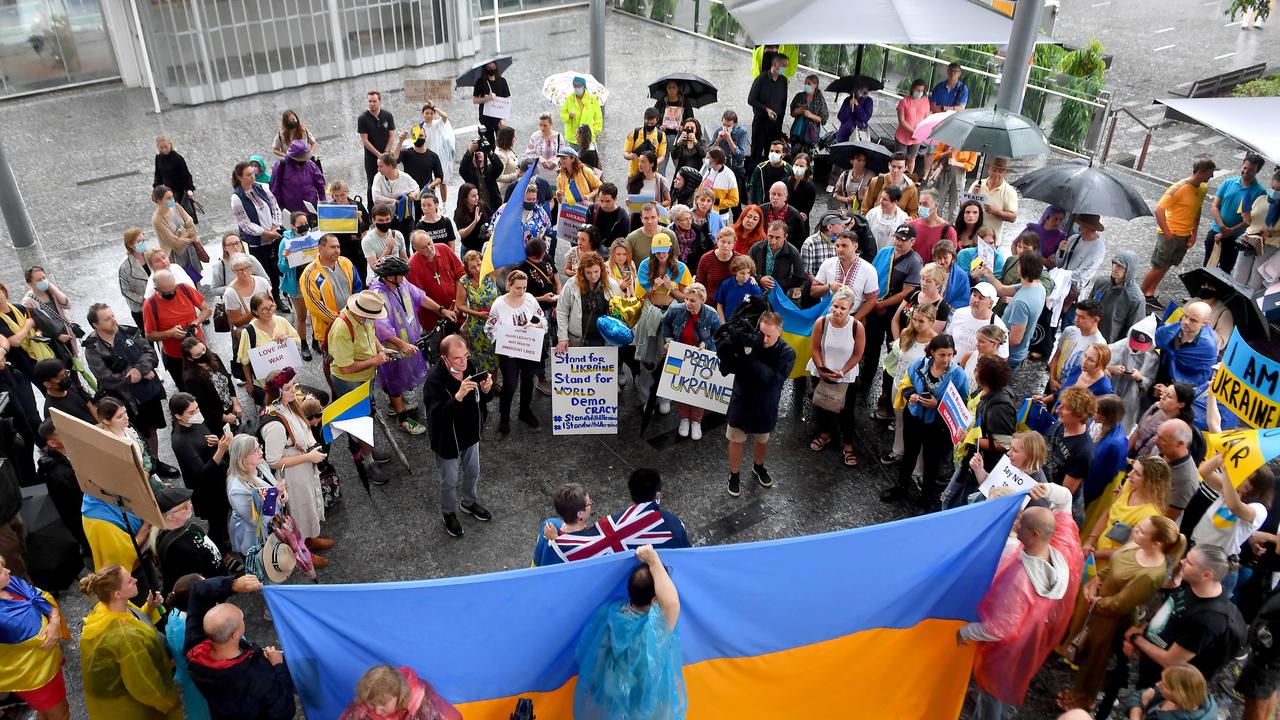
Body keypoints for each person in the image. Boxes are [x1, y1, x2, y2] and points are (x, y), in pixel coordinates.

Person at [959, 484, 1082, 720]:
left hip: (1005, 651)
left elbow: (1000, 628)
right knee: (1004, 688)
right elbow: (1065, 499)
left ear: (1034, 533)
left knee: (991, 695)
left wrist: (965, 632)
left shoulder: (1018, 576)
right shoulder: (1062, 549)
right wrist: (1041, 489)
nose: (1016, 527)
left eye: (1021, 526)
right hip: (1031, 642)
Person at [1057, 516, 1187, 713]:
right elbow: (1115, 561)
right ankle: (1078, 691)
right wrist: (1096, 582)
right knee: (1086, 651)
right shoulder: (1137, 545)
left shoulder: (1152, 573)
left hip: (1111, 619)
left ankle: (1085, 699)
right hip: (1100, 606)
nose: (1136, 531)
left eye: (1142, 531)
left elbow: (1120, 604)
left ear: (1156, 543)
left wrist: (1095, 600)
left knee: (1096, 660)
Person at [1101, 546, 1245, 718]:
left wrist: (1136, 638)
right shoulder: (1192, 583)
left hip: (1166, 682)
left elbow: (1171, 661)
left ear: (1207, 575)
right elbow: (1168, 606)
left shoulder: (1209, 620)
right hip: (1150, 661)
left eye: (1189, 562)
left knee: (1146, 707)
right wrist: (1142, 630)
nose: (1182, 562)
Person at [574, 544, 683, 719]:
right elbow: (672, 604)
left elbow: (597, 655)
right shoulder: (654, 630)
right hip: (644, 695)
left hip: (613, 692)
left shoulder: (611, 612)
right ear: (655, 601)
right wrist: (654, 561)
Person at [185, 578, 296, 720]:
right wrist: (278, 666)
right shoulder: (258, 675)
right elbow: (284, 712)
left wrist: (233, 585)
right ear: (235, 634)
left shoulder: (193, 651)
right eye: (241, 619)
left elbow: (197, 591)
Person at [77, 565, 179, 719]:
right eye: (130, 580)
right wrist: (171, 703)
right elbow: (145, 686)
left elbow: (135, 621)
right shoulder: (125, 638)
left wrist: (149, 608)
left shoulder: (111, 606)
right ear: (117, 594)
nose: (136, 580)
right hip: (131, 710)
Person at [881, 334, 967, 511]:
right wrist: (911, 394)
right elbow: (906, 383)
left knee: (931, 461)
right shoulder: (919, 364)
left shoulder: (958, 374)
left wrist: (938, 404)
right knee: (909, 454)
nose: (947, 359)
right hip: (914, 418)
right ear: (932, 352)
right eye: (942, 355)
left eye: (950, 355)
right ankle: (901, 486)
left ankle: (925, 496)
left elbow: (962, 401)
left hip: (937, 425)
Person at [422, 333, 496, 538]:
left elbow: (483, 400)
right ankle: (448, 513)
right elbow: (437, 417)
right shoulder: (434, 381)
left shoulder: (470, 367)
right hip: (448, 440)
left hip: (471, 433)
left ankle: (469, 502)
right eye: (458, 358)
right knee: (449, 481)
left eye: (466, 355)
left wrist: (487, 390)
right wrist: (458, 397)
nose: (464, 362)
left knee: (473, 472)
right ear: (444, 358)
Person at [260, 368, 333, 566]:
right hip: (291, 474)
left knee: (308, 504)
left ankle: (309, 538)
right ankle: (303, 551)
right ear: (277, 393)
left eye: (293, 385)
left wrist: (311, 446)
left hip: (303, 467)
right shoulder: (274, 425)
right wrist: (309, 455)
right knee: (298, 512)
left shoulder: (290, 405)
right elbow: (273, 461)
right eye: (288, 388)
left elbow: (304, 427)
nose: (294, 390)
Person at [722, 311, 795, 497]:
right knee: (736, 439)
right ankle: (734, 475)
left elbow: (772, 380)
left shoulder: (787, 353)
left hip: (765, 405)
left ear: (780, 332)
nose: (763, 339)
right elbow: (726, 368)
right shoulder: (750, 343)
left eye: (769, 335)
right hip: (742, 401)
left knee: (762, 439)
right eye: (761, 333)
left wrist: (749, 356)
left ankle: (758, 466)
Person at [326, 291, 391, 484]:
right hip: (351, 381)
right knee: (360, 421)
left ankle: (366, 448)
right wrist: (375, 360)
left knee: (367, 415)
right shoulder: (341, 329)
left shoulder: (363, 317)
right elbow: (345, 368)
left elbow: (371, 336)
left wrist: (380, 350)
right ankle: (368, 461)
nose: (373, 320)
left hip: (365, 376)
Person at [0, 552, 69, 720]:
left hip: (47, 664)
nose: (8, 571)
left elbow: (39, 596)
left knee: (46, 711)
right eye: (1, 571)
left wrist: (53, 621)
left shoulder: (10, 584)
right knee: (61, 713)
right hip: (35, 677)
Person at [368, 256, 430, 434]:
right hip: (391, 347)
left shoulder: (401, 284)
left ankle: (399, 405)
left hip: (407, 343)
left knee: (401, 377)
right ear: (389, 277)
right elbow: (381, 327)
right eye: (400, 275)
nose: (404, 278)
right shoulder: (377, 295)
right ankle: (402, 420)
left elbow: (421, 297)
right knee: (393, 383)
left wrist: (441, 310)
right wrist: (401, 344)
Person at [806, 287, 866, 466]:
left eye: (843, 308)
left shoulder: (857, 326)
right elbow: (815, 348)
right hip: (821, 372)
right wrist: (821, 367)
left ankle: (848, 444)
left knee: (846, 412)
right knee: (823, 405)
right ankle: (825, 434)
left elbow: (858, 354)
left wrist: (843, 371)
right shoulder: (821, 322)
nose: (838, 311)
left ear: (851, 308)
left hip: (846, 376)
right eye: (835, 306)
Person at [168, 392, 233, 556]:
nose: (197, 414)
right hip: (207, 491)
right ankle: (220, 554)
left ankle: (225, 540)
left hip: (218, 480)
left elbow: (206, 444)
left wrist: (217, 442)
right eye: (191, 412)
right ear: (178, 416)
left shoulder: (196, 424)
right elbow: (202, 474)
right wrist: (221, 450)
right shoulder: (180, 441)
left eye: (196, 409)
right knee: (216, 524)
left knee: (223, 515)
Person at [1143, 159, 1217, 300]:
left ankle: (1150, 293)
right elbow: (1159, 210)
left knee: (1168, 265)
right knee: (1158, 266)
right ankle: (1139, 295)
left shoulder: (1202, 188)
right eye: (1210, 173)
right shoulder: (1179, 188)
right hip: (1170, 233)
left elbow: (1197, 211)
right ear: (1201, 172)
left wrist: (1194, 234)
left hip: (1184, 235)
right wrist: (1168, 234)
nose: (1212, 176)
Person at [861, 223, 923, 393]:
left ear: (912, 241)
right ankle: (865, 382)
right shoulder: (884, 253)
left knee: (893, 347)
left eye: (903, 240)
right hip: (875, 306)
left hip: (896, 311)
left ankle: (890, 389)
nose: (898, 242)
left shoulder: (915, 261)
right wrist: (872, 303)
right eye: (897, 238)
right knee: (870, 346)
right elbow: (870, 276)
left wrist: (881, 304)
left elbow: (908, 292)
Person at [656, 282, 721, 440]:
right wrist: (669, 340)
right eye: (686, 299)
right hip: (679, 355)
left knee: (698, 391)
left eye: (692, 300)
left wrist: (707, 343)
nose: (687, 303)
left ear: (702, 300)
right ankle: (684, 419)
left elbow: (718, 335)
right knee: (680, 390)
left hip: (700, 358)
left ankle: (696, 421)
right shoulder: (676, 309)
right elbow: (666, 325)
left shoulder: (711, 314)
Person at [484, 270, 545, 433]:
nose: (522, 291)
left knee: (528, 382)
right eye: (518, 288)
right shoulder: (499, 304)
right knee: (510, 385)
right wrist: (503, 336)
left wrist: (535, 326)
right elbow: (488, 328)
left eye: (524, 287)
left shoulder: (530, 300)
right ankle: (504, 417)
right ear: (508, 286)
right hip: (509, 352)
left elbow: (543, 320)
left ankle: (524, 412)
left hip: (528, 349)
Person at [300, 234, 363, 370]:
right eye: (333, 247)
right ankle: (334, 390)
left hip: (353, 320)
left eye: (338, 247)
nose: (337, 250)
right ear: (320, 249)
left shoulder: (346, 262)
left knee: (352, 356)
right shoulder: (309, 274)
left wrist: (356, 313)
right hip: (329, 328)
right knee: (331, 361)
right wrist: (341, 321)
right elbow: (314, 306)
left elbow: (357, 286)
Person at [142, 270, 210, 392]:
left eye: (173, 289)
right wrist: (170, 333)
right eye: (166, 292)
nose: (172, 293)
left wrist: (195, 322)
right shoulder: (150, 305)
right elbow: (149, 335)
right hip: (176, 357)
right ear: (156, 289)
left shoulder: (185, 289)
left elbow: (206, 310)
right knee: (187, 391)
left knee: (208, 385)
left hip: (199, 349)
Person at [231, 161, 285, 305]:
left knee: (275, 269)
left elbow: (275, 207)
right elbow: (244, 223)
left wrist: (274, 227)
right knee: (263, 271)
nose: (252, 177)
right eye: (248, 175)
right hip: (258, 242)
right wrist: (264, 233)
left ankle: (277, 297)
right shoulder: (237, 197)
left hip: (273, 235)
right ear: (240, 177)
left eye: (253, 173)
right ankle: (266, 300)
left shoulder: (263, 188)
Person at [1205, 153, 1266, 273]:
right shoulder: (1228, 183)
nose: (1246, 171)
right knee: (1207, 266)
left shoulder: (1260, 192)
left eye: (1251, 170)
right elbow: (1214, 206)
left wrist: (1230, 231)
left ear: (1257, 171)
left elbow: (1251, 220)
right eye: (1244, 168)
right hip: (1215, 232)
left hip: (1235, 238)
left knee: (1224, 271)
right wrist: (1222, 227)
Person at [234, 294, 300, 405]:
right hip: (265, 385)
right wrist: (249, 384)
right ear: (255, 312)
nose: (269, 311)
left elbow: (297, 341)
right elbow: (245, 362)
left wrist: (287, 339)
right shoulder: (248, 332)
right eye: (264, 309)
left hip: (287, 380)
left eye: (271, 306)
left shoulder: (281, 321)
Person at [1042, 386, 1097, 513]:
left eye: (1065, 408)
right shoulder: (1060, 424)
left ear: (1079, 415)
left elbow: (1064, 494)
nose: (1057, 410)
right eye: (1060, 404)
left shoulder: (1084, 451)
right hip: (1044, 487)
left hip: (1056, 505)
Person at [339, 665, 461, 720]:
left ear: (399, 695)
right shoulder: (362, 706)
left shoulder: (426, 706)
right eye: (372, 704)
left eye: (383, 704)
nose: (376, 710)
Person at [224, 435, 277, 561]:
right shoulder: (236, 488)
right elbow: (257, 518)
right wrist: (276, 494)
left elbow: (271, 486)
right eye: (255, 450)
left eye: (259, 447)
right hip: (252, 534)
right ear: (242, 457)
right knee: (259, 569)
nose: (261, 451)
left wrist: (281, 494)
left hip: (270, 525)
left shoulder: (260, 464)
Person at [557, 251, 621, 350]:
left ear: (602, 270)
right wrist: (562, 338)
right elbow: (562, 311)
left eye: (596, 272)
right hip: (577, 340)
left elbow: (618, 314)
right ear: (582, 271)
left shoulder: (612, 285)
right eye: (589, 273)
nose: (593, 276)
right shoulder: (571, 284)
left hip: (603, 341)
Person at [455, 250, 500, 387]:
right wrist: (476, 314)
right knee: (480, 357)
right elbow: (460, 305)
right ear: (467, 269)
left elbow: (503, 258)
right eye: (473, 267)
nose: (477, 269)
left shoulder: (491, 274)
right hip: (477, 325)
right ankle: (482, 382)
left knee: (495, 356)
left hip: (496, 323)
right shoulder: (464, 282)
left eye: (479, 264)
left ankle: (494, 382)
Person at [406, 229, 463, 333]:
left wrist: (458, 302)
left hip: (457, 310)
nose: (429, 248)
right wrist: (441, 310)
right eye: (423, 247)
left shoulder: (444, 248)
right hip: (433, 318)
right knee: (438, 346)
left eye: (429, 243)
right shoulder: (412, 265)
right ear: (416, 249)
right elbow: (420, 296)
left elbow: (460, 275)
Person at [810, 230, 878, 317]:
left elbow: (872, 299)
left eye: (844, 246)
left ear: (855, 246)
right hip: (827, 315)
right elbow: (813, 291)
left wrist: (854, 321)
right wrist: (829, 287)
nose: (840, 249)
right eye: (837, 246)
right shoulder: (827, 264)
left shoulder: (869, 269)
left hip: (852, 316)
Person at [1233, 166, 1280, 290]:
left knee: (1255, 281)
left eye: (1278, 190)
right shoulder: (1261, 200)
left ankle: (1249, 306)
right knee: (1239, 276)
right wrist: (1246, 216)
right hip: (1249, 241)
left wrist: (1271, 234)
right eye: (1273, 188)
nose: (1274, 192)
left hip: (1269, 246)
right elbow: (1249, 221)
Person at [1046, 298, 1107, 392]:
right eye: (1076, 315)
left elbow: (1093, 376)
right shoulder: (1069, 331)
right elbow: (1056, 357)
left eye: (1082, 317)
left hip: (1072, 393)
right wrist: (1052, 379)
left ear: (1095, 319)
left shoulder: (1099, 345)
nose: (1076, 320)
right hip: (1053, 386)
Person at [1152, 301, 1216, 389]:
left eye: (1193, 320)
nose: (1186, 322)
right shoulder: (1171, 329)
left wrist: (1170, 390)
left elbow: (1200, 378)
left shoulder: (1208, 347)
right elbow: (1153, 342)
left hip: (1180, 388)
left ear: (1205, 323)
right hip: (1158, 372)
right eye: (1185, 316)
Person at [1001, 251, 1047, 372]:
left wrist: (994, 347)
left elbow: (1015, 339)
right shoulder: (1039, 286)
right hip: (1020, 352)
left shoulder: (1020, 303)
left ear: (1020, 268)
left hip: (1009, 356)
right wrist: (988, 275)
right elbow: (1003, 289)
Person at [1120, 664, 1218, 720]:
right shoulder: (1198, 695)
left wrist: (1143, 704)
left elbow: (1139, 698)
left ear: (1180, 694)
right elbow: (1136, 695)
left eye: (1165, 685)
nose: (1158, 684)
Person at [322, 180, 372, 288]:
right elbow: (326, 230)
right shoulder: (330, 208)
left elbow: (367, 224)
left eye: (342, 195)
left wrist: (360, 220)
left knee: (361, 273)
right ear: (332, 195)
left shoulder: (356, 205)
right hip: (341, 249)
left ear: (347, 192)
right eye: (336, 196)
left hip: (357, 249)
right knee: (345, 276)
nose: (340, 198)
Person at [151, 185, 204, 287]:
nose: (172, 200)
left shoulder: (177, 207)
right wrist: (190, 237)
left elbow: (191, 223)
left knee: (196, 280)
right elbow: (175, 244)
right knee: (184, 283)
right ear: (159, 201)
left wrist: (183, 234)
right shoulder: (157, 220)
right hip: (176, 256)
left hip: (190, 252)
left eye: (172, 197)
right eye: (168, 198)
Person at [1091, 251, 1147, 343]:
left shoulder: (1136, 298)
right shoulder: (1101, 282)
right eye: (1114, 263)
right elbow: (1088, 308)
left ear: (1130, 269)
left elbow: (1134, 331)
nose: (1115, 268)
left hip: (1111, 347)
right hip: (1090, 337)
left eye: (1120, 266)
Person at [946, 282, 1009, 361]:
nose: (975, 300)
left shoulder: (998, 325)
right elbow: (949, 337)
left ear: (991, 303)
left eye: (981, 298)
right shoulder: (959, 313)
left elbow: (1002, 358)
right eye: (974, 295)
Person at [746, 52, 789, 168]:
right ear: (775, 64)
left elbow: (783, 103)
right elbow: (751, 100)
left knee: (772, 155)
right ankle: (752, 179)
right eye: (783, 65)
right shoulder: (761, 79)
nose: (785, 68)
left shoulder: (783, 81)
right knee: (756, 153)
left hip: (775, 125)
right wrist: (766, 109)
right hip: (761, 123)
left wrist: (780, 125)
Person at [269, 140, 326, 220]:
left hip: (310, 210)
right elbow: (274, 188)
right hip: (290, 212)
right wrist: (279, 208)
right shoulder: (281, 166)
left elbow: (320, 184)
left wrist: (323, 201)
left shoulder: (311, 165)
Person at [750, 219, 805, 301]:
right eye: (770, 236)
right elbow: (746, 268)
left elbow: (799, 278)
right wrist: (759, 279)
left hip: (780, 293)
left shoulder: (793, 253)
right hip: (756, 289)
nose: (773, 241)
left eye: (778, 238)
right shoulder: (756, 248)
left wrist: (775, 283)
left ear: (785, 237)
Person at [370, 156, 420, 244]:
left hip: (405, 215)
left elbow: (416, 188)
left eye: (381, 166)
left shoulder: (404, 177)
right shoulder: (378, 177)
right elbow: (376, 198)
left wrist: (414, 194)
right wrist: (394, 201)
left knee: (405, 242)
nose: (378, 169)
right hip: (386, 217)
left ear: (390, 166)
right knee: (388, 243)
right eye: (378, 166)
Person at [358, 90, 396, 201]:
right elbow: (365, 140)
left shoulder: (387, 115)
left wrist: (386, 152)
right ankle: (371, 210)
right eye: (370, 101)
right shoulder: (363, 118)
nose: (372, 104)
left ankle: (391, 207)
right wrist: (379, 155)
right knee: (372, 183)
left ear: (380, 102)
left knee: (389, 181)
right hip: (371, 157)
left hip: (386, 154)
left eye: (374, 101)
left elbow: (392, 134)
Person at [968, 156, 1019, 241]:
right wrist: (973, 195)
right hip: (971, 237)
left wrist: (995, 212)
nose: (996, 174)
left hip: (991, 241)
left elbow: (1013, 217)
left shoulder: (1010, 191)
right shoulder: (977, 184)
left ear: (1005, 173)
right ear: (989, 170)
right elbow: (964, 207)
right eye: (994, 170)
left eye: (1000, 172)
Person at [154, 134, 198, 222]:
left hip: (181, 192)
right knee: (172, 213)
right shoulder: (158, 158)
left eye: (166, 147)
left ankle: (189, 230)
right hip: (169, 193)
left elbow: (186, 175)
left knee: (185, 215)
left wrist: (190, 189)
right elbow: (158, 174)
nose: (164, 149)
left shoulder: (178, 158)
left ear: (170, 144)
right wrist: (156, 188)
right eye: (161, 148)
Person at [866, 161, 917, 235]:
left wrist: (911, 219)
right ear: (889, 165)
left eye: (899, 167)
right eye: (893, 166)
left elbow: (914, 211)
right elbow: (865, 206)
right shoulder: (872, 214)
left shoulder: (903, 218)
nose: (895, 170)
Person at [931, 143, 980, 219]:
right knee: (939, 200)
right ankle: (936, 222)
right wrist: (947, 153)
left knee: (955, 203)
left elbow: (971, 165)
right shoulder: (950, 138)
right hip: (945, 170)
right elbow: (935, 155)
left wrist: (956, 163)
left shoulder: (971, 144)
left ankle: (951, 225)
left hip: (960, 173)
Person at [118, 228, 152, 328]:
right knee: (147, 337)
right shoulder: (125, 267)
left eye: (143, 240)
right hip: (140, 310)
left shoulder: (150, 256)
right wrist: (144, 300)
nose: (142, 243)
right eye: (139, 241)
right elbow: (125, 291)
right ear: (130, 245)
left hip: (158, 303)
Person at [895, 78, 930, 173]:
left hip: (917, 137)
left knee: (912, 159)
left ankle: (909, 177)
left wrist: (922, 130)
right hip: (903, 136)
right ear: (912, 89)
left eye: (922, 91)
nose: (919, 93)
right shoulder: (904, 102)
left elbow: (927, 117)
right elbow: (901, 121)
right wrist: (913, 131)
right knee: (900, 160)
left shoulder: (925, 101)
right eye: (918, 90)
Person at [472, 59, 510, 146]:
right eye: (489, 68)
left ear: (496, 67)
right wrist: (488, 98)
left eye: (493, 67)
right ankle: (491, 157)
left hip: (498, 117)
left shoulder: (502, 81)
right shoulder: (480, 82)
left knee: (502, 143)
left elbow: (507, 99)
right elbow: (475, 100)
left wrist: (503, 118)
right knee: (490, 143)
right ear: (485, 69)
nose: (491, 69)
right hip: (485, 118)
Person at [788, 74, 828, 155]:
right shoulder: (800, 96)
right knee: (794, 156)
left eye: (809, 84)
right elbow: (792, 113)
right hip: (797, 132)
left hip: (810, 135)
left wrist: (810, 115)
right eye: (805, 83)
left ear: (815, 85)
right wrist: (796, 111)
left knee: (807, 159)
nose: (806, 85)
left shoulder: (819, 99)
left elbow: (823, 119)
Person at [714, 255, 762, 322]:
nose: (745, 276)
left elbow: (758, 311)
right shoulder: (726, 284)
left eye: (748, 273)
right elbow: (720, 305)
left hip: (745, 327)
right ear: (735, 271)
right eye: (742, 273)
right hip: (728, 323)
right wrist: (722, 323)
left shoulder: (754, 288)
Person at [700, 146, 741, 223]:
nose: (707, 160)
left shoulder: (729, 175)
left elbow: (735, 201)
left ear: (715, 160)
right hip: (704, 214)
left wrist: (717, 201)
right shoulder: (708, 170)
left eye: (708, 158)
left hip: (720, 217)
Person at [746, 140, 791, 207]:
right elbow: (752, 187)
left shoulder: (789, 170)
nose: (773, 153)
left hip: (781, 207)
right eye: (771, 151)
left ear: (783, 154)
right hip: (763, 206)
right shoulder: (760, 168)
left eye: (777, 152)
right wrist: (754, 206)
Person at [832, 147, 875, 215]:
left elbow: (875, 196)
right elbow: (835, 194)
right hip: (846, 212)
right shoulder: (845, 175)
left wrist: (863, 197)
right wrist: (845, 199)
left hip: (863, 213)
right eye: (859, 160)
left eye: (864, 160)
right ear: (852, 161)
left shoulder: (871, 176)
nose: (862, 163)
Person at [453, 182, 492, 255]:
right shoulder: (459, 213)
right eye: (473, 196)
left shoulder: (482, 205)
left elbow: (492, 217)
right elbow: (462, 234)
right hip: (470, 249)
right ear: (465, 198)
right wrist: (475, 221)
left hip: (485, 246)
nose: (477, 197)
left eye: (477, 194)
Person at [562, 75, 603, 141]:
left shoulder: (592, 99)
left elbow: (598, 117)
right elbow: (562, 115)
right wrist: (568, 116)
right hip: (573, 137)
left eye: (579, 86)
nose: (577, 88)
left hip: (588, 137)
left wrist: (594, 131)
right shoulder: (569, 99)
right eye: (575, 86)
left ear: (584, 86)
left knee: (590, 151)